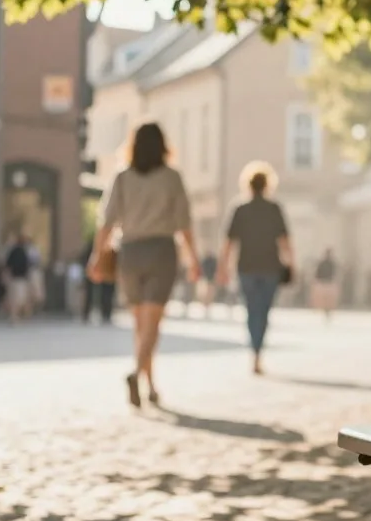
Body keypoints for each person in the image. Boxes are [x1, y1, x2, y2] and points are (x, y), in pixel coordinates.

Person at [89, 121, 200, 407]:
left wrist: (96, 256)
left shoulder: (122, 177)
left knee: (141, 325)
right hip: (161, 250)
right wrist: (193, 258)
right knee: (153, 324)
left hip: (130, 253)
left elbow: (107, 222)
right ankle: (136, 373)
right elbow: (184, 223)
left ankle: (150, 385)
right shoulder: (172, 177)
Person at [216, 162, 294, 375]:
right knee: (264, 311)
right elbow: (285, 241)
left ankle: (255, 351)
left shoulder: (240, 208)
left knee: (252, 310)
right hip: (270, 267)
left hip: (247, 267)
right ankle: (258, 352)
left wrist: (222, 267)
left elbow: (228, 243)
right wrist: (291, 264)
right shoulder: (274, 208)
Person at [3, 233, 33, 324]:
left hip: (21, 278)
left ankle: (16, 315)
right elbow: (8, 265)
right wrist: (7, 276)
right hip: (16, 277)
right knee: (16, 298)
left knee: (19, 298)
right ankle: (13, 316)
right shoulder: (15, 251)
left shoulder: (24, 251)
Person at [311, 248, 338, 321]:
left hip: (327, 282)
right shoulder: (326, 263)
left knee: (327, 297)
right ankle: (325, 309)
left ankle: (327, 309)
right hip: (325, 281)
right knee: (325, 297)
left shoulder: (331, 264)